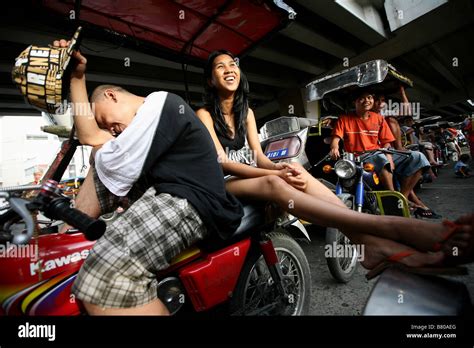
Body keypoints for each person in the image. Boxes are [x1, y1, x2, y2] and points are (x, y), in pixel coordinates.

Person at [195, 50, 473, 278]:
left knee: (297, 171)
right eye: (220, 67)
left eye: (233, 64)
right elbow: (222, 163)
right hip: (222, 185)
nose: (229, 69)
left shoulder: (247, 113)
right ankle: (391, 228)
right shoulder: (204, 113)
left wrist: (281, 166)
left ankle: (368, 243)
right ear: (210, 80)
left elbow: (258, 156)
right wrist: (272, 172)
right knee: (273, 180)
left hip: (248, 177)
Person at [53, 40, 243, 315]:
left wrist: (77, 79)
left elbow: (91, 137)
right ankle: (65, 243)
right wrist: (76, 77)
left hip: (192, 200)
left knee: (105, 276)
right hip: (167, 192)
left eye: (107, 122)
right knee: (100, 160)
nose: (112, 131)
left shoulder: (159, 103)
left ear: (111, 96)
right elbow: (93, 142)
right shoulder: (141, 134)